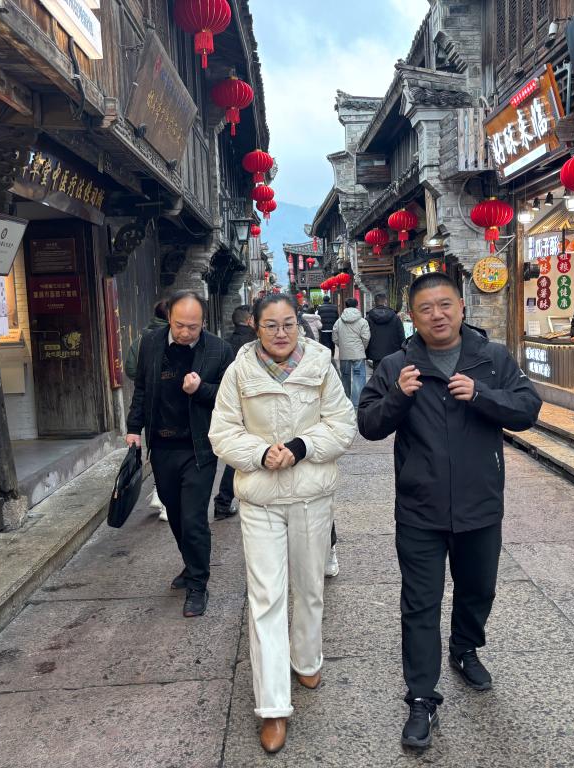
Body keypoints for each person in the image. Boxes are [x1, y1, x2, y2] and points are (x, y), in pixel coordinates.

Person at [357, 272, 542, 750]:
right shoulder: (398, 365)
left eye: (445, 305)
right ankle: (421, 698)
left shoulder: (491, 358)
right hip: (420, 508)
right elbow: (369, 424)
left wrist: (482, 396)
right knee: (420, 603)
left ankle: (465, 648)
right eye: (426, 308)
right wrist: (398, 396)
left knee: (478, 589)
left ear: (461, 308)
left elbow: (528, 409)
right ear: (412, 317)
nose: (437, 315)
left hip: (481, 503)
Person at [209, 294, 356, 754]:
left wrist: (300, 446)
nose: (280, 332)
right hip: (261, 499)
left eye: (288, 323)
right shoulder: (239, 372)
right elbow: (222, 431)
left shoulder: (320, 364)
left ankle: (307, 658)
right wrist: (259, 453)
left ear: (299, 325)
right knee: (266, 598)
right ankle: (273, 706)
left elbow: (342, 424)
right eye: (270, 324)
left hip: (311, 494)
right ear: (255, 327)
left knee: (309, 587)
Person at [126, 291, 235, 618]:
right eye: (179, 325)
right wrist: (134, 428)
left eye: (193, 326)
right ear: (168, 318)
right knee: (174, 514)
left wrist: (199, 389)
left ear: (203, 322)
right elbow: (141, 388)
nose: (186, 332)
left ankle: (198, 585)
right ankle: (190, 565)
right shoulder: (151, 343)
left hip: (198, 448)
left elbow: (230, 397)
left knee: (193, 518)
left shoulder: (219, 350)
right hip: (162, 446)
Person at [124, 300, 171, 521]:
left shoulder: (141, 339)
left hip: (149, 404)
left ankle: (159, 494)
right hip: (169, 402)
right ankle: (164, 500)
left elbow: (130, 368)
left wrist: (145, 377)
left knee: (158, 449)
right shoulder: (172, 338)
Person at [214, 305, 256, 521]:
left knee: (238, 453)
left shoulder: (225, 344)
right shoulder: (256, 343)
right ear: (250, 320)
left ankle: (223, 501)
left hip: (235, 404)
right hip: (255, 403)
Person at [332, 297, 370, 409]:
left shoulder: (339, 321)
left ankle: (346, 400)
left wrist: (342, 346)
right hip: (358, 354)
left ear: (346, 306)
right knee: (359, 377)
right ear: (357, 306)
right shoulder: (362, 321)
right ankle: (357, 403)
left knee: (345, 376)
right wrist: (362, 348)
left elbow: (335, 337)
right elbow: (366, 337)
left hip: (344, 354)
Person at [366, 293, 406, 370]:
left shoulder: (369, 318)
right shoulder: (395, 317)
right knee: (391, 374)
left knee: (377, 374)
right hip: (393, 352)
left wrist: (367, 352)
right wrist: (403, 350)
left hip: (375, 353)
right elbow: (401, 335)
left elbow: (365, 336)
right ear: (386, 301)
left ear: (375, 302)